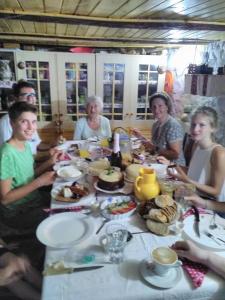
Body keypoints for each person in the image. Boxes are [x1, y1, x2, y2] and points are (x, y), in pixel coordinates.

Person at [0, 101, 62, 234]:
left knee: (68, 199)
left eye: (33, 122)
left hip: (34, 200)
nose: (31, 127)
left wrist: (50, 161)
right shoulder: (6, 154)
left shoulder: (25, 144)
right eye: (24, 122)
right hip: (19, 212)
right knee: (61, 219)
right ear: (12, 123)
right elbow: (5, 199)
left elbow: (29, 175)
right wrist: (40, 182)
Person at [158, 106, 225, 207]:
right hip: (193, 194)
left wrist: (187, 180)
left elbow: (216, 191)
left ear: (213, 128)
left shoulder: (218, 153)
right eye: (193, 124)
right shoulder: (196, 145)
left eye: (201, 125)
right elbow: (193, 171)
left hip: (210, 204)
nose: (195, 129)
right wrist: (171, 164)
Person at [132, 92, 185, 164]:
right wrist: (140, 137)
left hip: (173, 167)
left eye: (160, 106)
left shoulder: (173, 126)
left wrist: (154, 148)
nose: (156, 110)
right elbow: (154, 146)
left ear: (167, 107)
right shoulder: (156, 125)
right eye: (154, 107)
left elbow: (175, 155)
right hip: (159, 161)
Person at [0, 80, 41, 155]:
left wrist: (53, 145)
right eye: (26, 95)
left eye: (33, 95)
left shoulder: (31, 120)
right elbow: (10, 154)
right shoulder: (5, 121)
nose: (30, 98)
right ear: (16, 98)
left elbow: (37, 144)